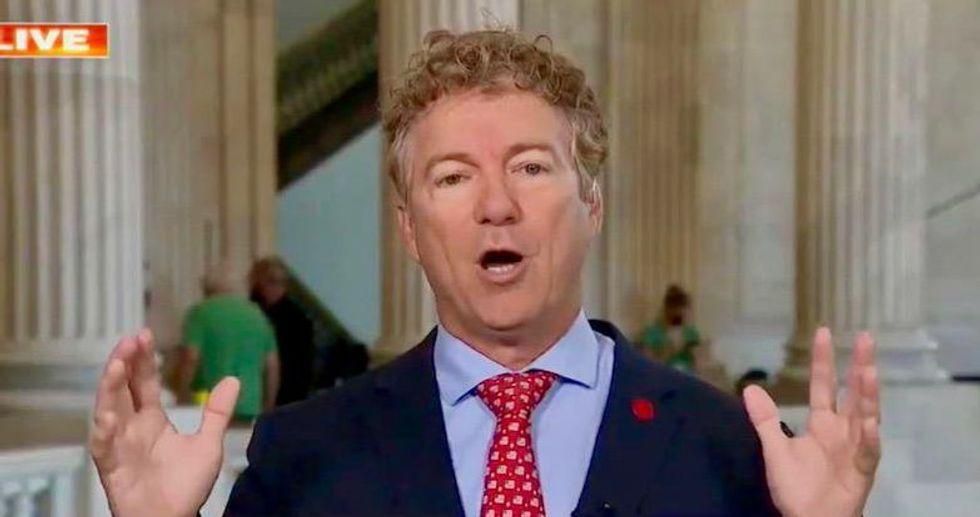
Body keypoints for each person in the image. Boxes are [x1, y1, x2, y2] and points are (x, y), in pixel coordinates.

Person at [90, 29, 881, 516]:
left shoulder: (730, 449)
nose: (496, 204)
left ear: (592, 203)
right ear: (410, 228)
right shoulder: (303, 455)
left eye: (531, 167)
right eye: (453, 177)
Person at [175, 263, 280, 422]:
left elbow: (191, 358)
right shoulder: (258, 315)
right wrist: (268, 406)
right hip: (250, 406)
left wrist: (182, 397)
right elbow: (272, 367)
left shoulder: (200, 313)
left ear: (207, 288)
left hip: (209, 405)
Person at [249, 256, 315, 406]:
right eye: (271, 281)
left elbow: (303, 367)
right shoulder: (250, 311)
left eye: (282, 283)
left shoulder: (298, 319)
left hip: (287, 394)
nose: (277, 288)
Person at [638, 284, 702, 372]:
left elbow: (699, 365)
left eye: (683, 308)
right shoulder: (652, 333)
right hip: (664, 375)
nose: (679, 312)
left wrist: (695, 353)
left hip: (687, 375)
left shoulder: (691, 333)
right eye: (674, 307)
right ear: (666, 309)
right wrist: (671, 350)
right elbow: (646, 366)